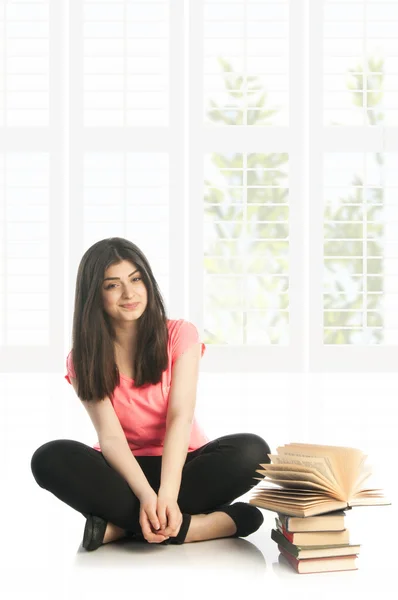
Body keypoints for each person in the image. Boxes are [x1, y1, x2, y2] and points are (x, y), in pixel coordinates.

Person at [30, 237, 271, 550]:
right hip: (122, 472)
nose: (129, 293)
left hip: (182, 465)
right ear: (94, 294)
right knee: (49, 458)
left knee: (253, 451)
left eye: (136, 279)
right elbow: (111, 437)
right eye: (112, 285)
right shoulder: (83, 358)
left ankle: (122, 527)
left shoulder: (179, 334)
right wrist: (145, 494)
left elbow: (180, 417)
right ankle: (196, 527)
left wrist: (167, 494)